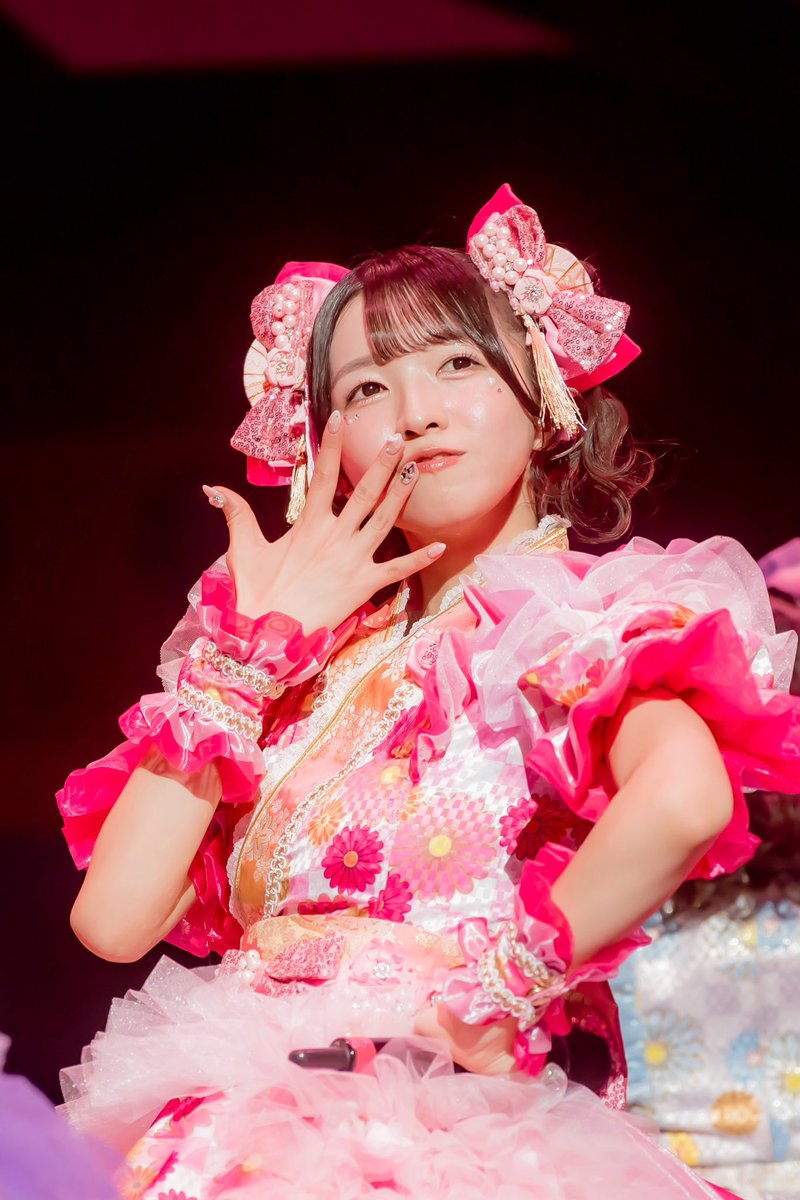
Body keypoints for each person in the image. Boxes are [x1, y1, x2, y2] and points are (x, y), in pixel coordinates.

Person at [56, 184, 800, 1199]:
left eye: (457, 364)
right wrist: (245, 655)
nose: (415, 413)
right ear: (322, 442)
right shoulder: (294, 661)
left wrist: (501, 990)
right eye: (366, 388)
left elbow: (682, 800)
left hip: (450, 1145)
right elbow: (114, 919)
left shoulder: (574, 618)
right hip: (238, 1130)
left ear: (543, 394)